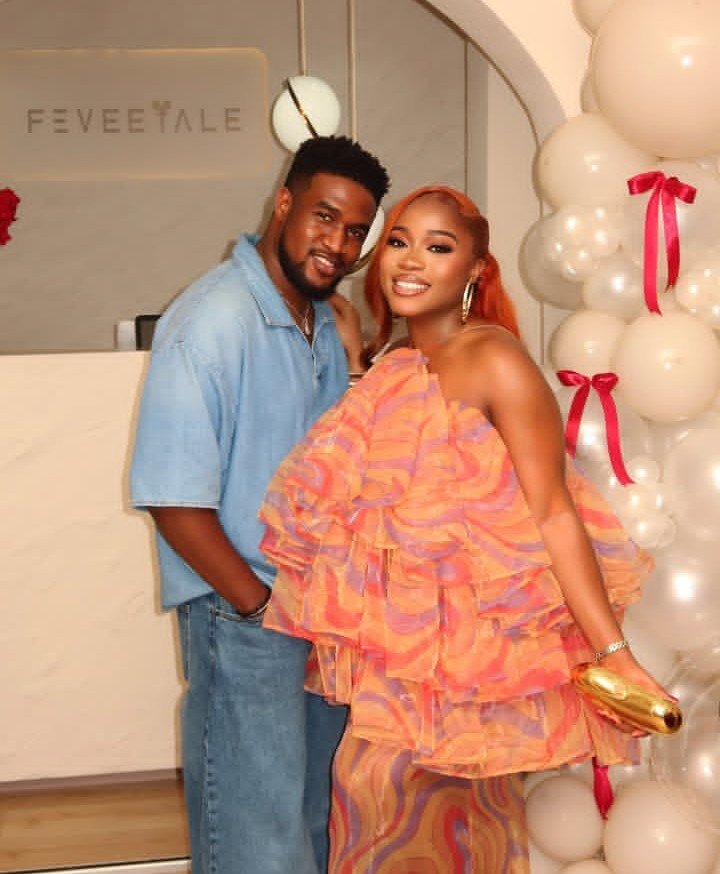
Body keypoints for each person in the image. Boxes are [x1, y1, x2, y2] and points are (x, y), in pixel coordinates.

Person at [258, 185, 669, 873]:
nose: (410, 260)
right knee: (368, 801)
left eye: (438, 246)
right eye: (399, 241)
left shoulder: (495, 360)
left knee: (434, 823)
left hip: (477, 674)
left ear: (475, 268)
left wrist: (614, 652)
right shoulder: (395, 366)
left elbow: (554, 513)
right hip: (405, 665)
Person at [129, 135, 390, 874]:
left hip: (318, 614)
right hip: (244, 613)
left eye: (355, 231)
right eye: (323, 217)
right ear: (283, 204)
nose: (337, 244)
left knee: (312, 828)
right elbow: (175, 501)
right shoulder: (211, 321)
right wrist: (258, 607)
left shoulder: (321, 323)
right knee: (255, 846)